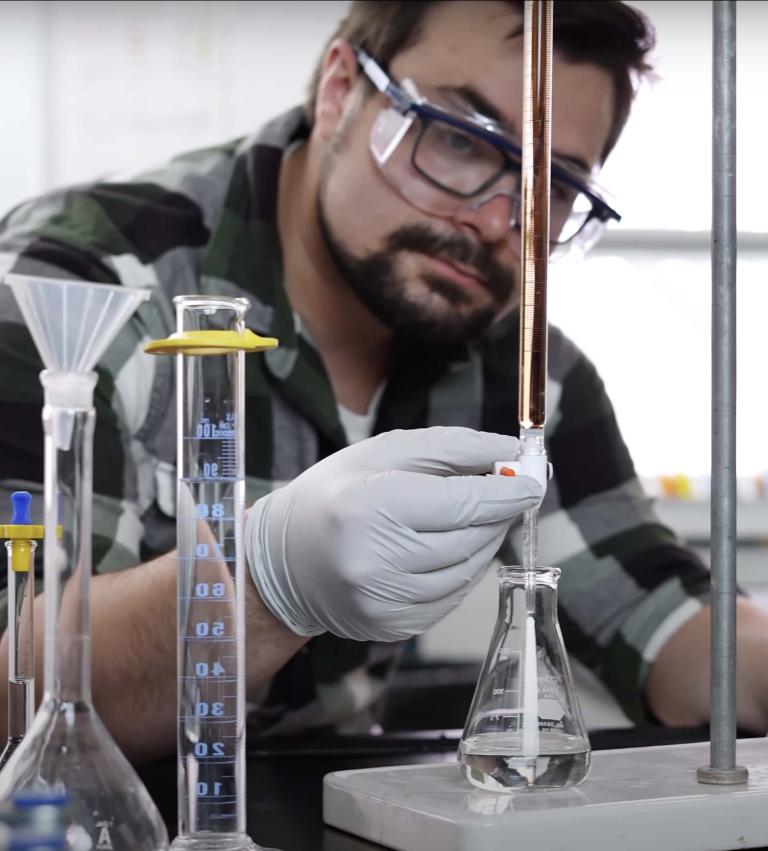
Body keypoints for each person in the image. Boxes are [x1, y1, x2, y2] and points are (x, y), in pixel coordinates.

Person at [1, 0, 767, 765]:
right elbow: (12, 680)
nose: (497, 221)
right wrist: (264, 583)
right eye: (460, 140)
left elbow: (665, 624)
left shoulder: (523, 368)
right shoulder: (74, 294)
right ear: (340, 90)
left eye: (555, 186)